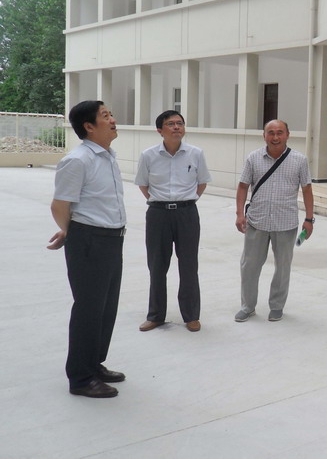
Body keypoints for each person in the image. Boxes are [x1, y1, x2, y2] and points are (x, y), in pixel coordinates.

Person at [47, 100, 127, 398]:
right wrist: (72, 232)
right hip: (90, 240)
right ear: (89, 126)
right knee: (89, 309)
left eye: (111, 114)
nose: (113, 119)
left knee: (106, 308)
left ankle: (94, 364)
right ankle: (80, 378)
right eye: (105, 116)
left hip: (111, 238)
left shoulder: (107, 156)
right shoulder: (78, 160)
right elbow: (59, 205)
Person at [135, 110, 212, 333]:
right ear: (160, 130)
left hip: (187, 214)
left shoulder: (196, 153)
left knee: (189, 265)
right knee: (157, 265)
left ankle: (191, 316)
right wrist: (160, 202)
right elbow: (143, 184)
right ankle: (156, 315)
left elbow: (202, 182)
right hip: (158, 214)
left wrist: (187, 201)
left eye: (180, 123)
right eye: (171, 124)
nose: (177, 127)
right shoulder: (148, 155)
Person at [234, 120, 314, 323]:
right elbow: (243, 186)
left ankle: (277, 306)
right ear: (264, 135)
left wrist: (309, 219)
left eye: (280, 132)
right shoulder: (253, 158)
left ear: (287, 135)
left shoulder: (299, 160)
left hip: (285, 223)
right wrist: (239, 214)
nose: (275, 137)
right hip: (257, 221)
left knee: (283, 267)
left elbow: (307, 189)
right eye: (271, 133)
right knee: (249, 265)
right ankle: (247, 306)